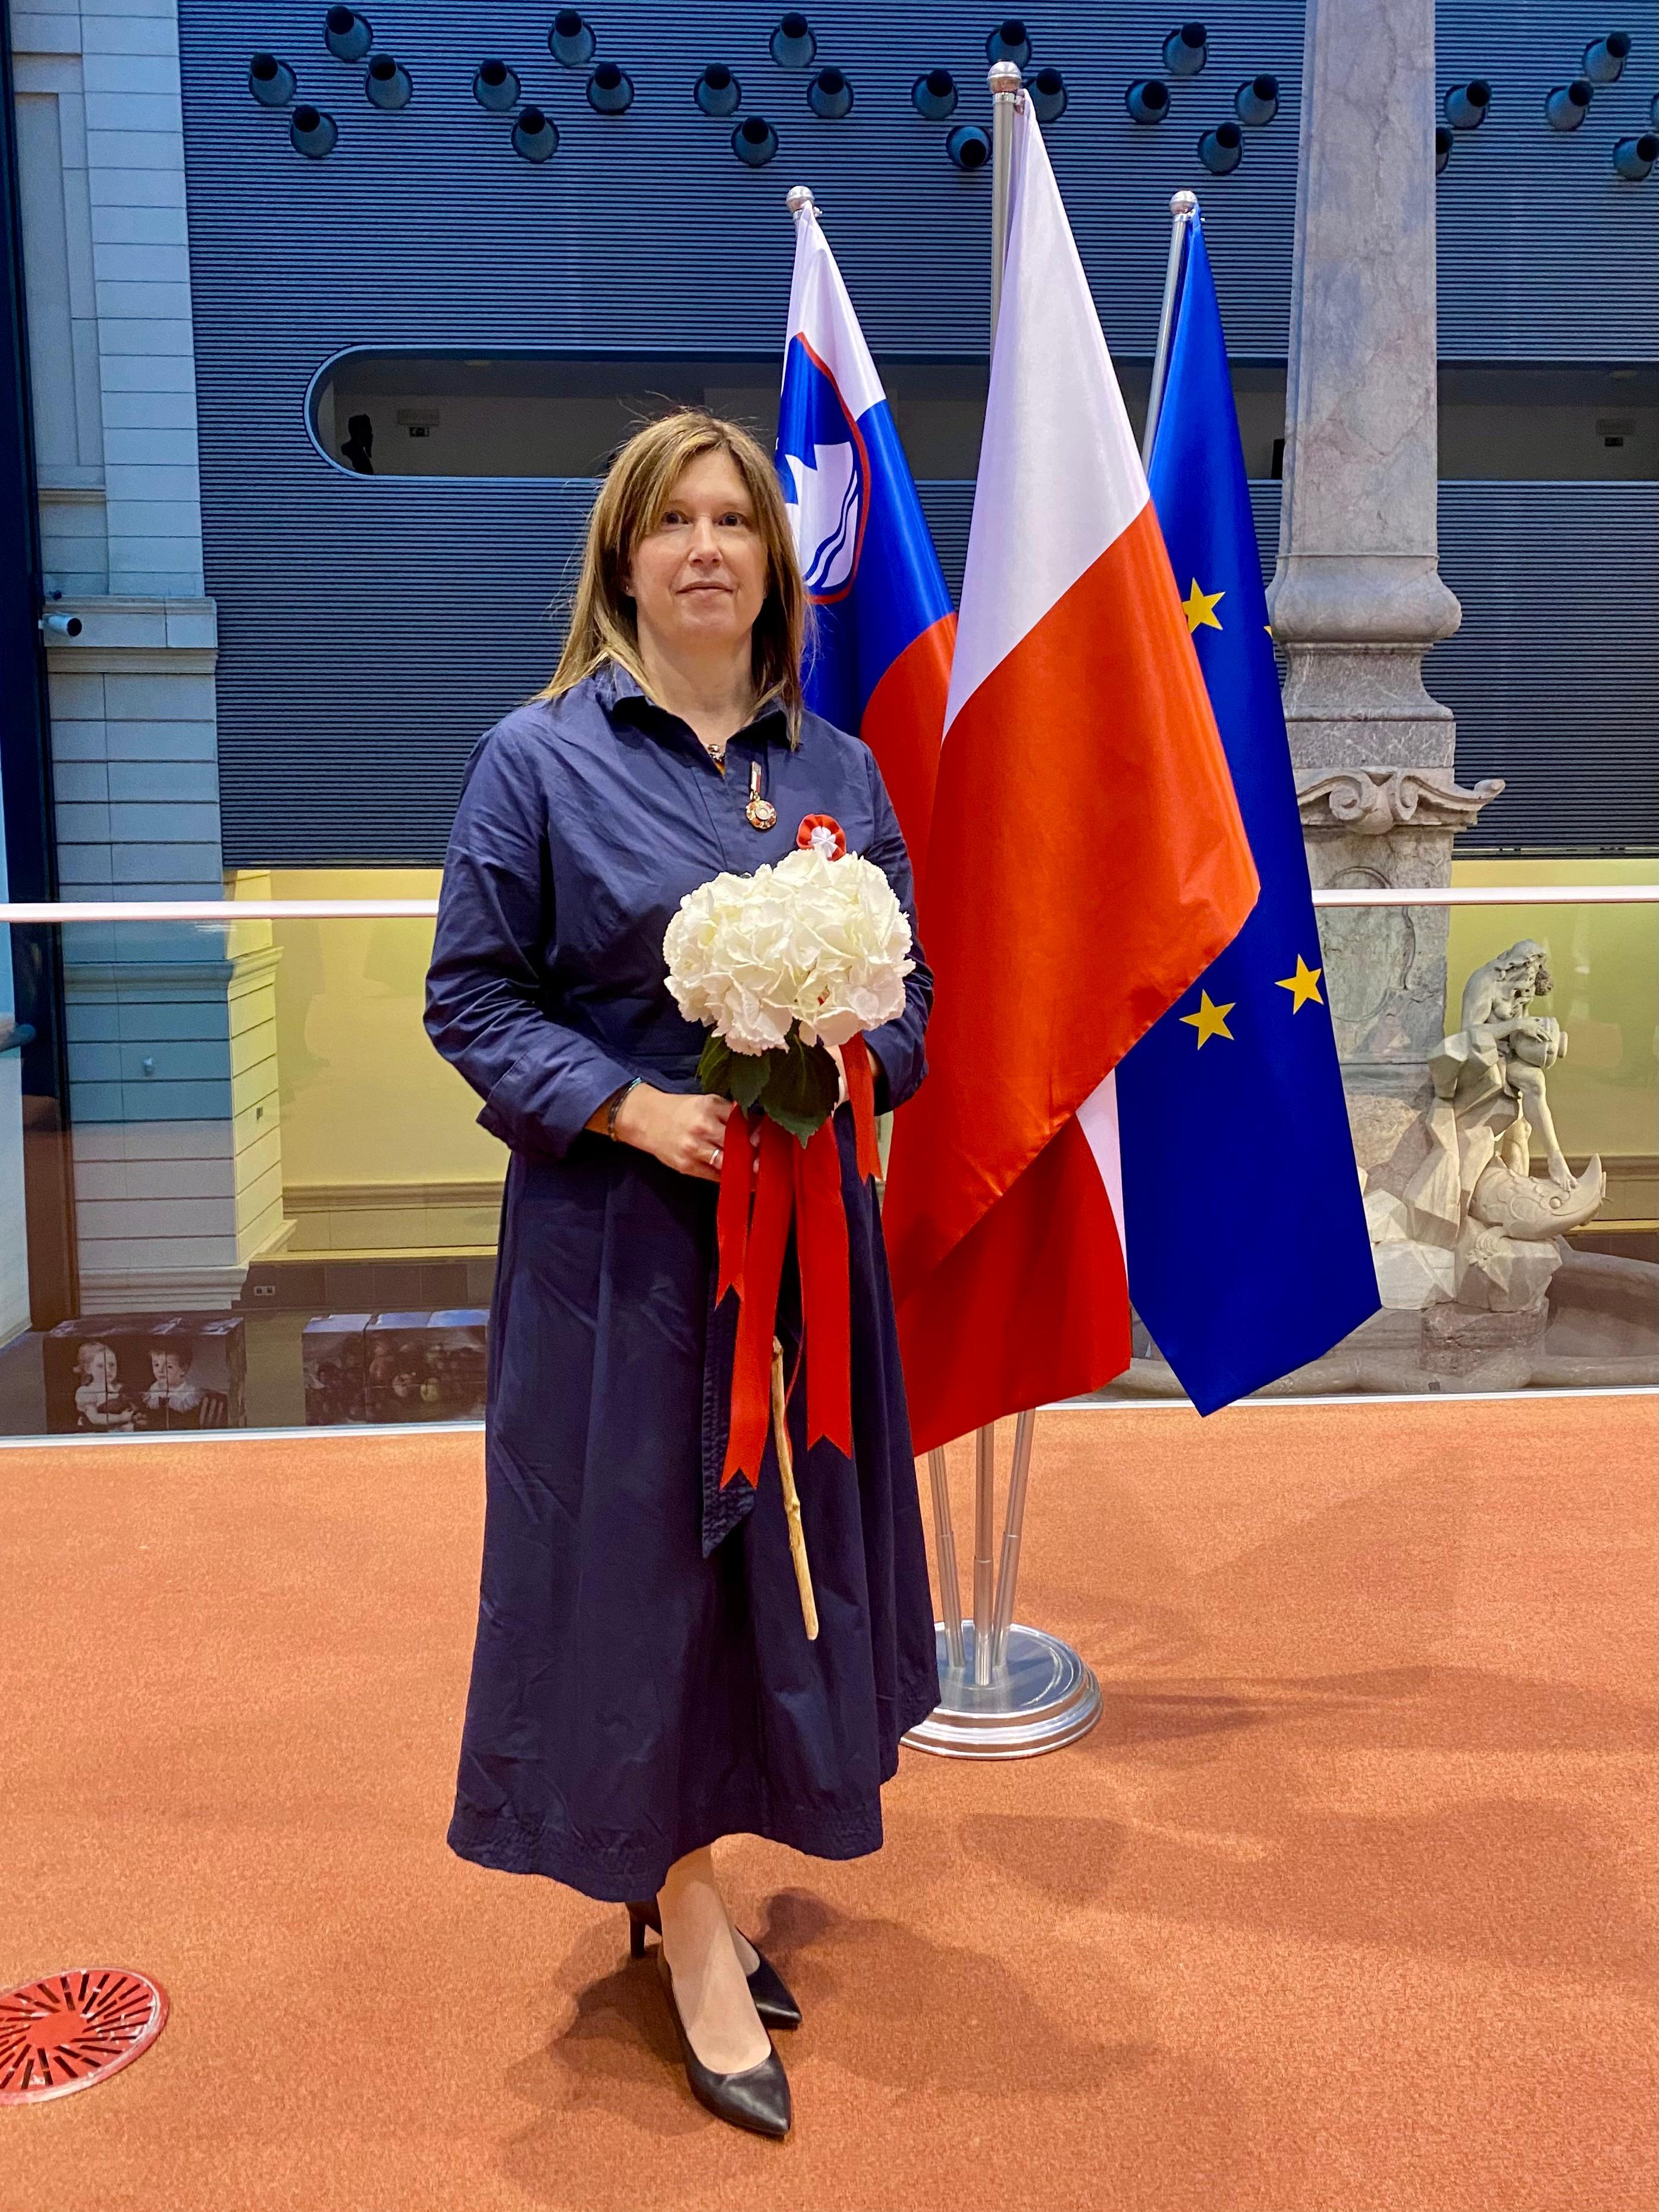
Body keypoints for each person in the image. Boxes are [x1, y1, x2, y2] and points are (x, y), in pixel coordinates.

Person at [425, 410, 940, 2141]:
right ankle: (691, 1910)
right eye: (674, 522)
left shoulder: (839, 768)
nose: (707, 547)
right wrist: (633, 1107)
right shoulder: (537, 760)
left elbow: (915, 1006)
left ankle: (690, 1862)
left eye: (735, 520)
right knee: (638, 1576)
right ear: (626, 560)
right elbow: (471, 996)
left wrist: (843, 1054)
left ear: (774, 569)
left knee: (772, 1574)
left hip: (807, 1253)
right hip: (622, 1255)